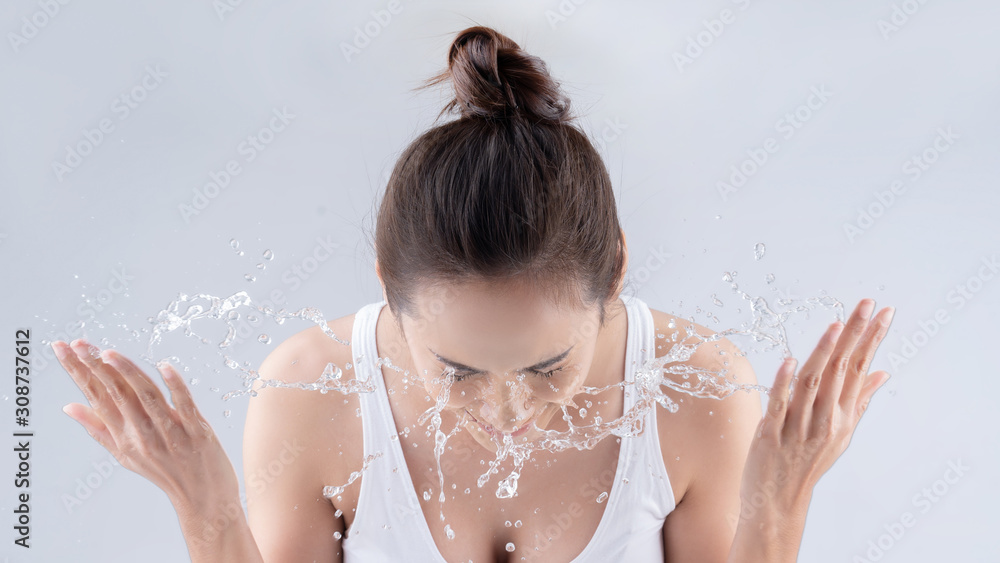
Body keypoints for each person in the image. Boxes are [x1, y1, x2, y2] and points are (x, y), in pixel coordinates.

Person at [52, 25, 894, 562]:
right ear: (386, 290)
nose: (505, 409)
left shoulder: (694, 385)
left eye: (547, 367)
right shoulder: (312, 390)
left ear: (618, 275)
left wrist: (781, 499)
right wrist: (202, 504)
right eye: (456, 369)